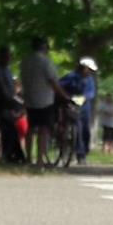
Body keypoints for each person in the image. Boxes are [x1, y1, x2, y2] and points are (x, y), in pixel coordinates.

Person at [20, 37, 71, 166]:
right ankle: (39, 159)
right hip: (45, 100)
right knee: (44, 130)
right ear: (44, 47)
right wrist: (64, 95)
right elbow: (52, 81)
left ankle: (28, 157)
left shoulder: (25, 61)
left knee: (30, 129)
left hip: (29, 99)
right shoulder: (46, 62)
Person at [0, 46, 25, 163]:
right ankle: (12, 154)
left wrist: (16, 100)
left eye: (9, 57)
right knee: (8, 128)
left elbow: (11, 89)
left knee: (11, 129)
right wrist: (11, 100)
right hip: (0, 104)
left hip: (8, 104)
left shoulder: (7, 70)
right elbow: (1, 89)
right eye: (6, 56)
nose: (8, 59)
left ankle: (15, 155)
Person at [58, 57, 100, 162]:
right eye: (89, 69)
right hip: (70, 105)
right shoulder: (71, 77)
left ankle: (84, 152)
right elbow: (59, 86)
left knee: (86, 130)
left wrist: (84, 97)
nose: (90, 72)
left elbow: (91, 92)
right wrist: (67, 96)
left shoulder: (89, 79)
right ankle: (79, 154)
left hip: (84, 107)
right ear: (84, 68)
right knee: (78, 129)